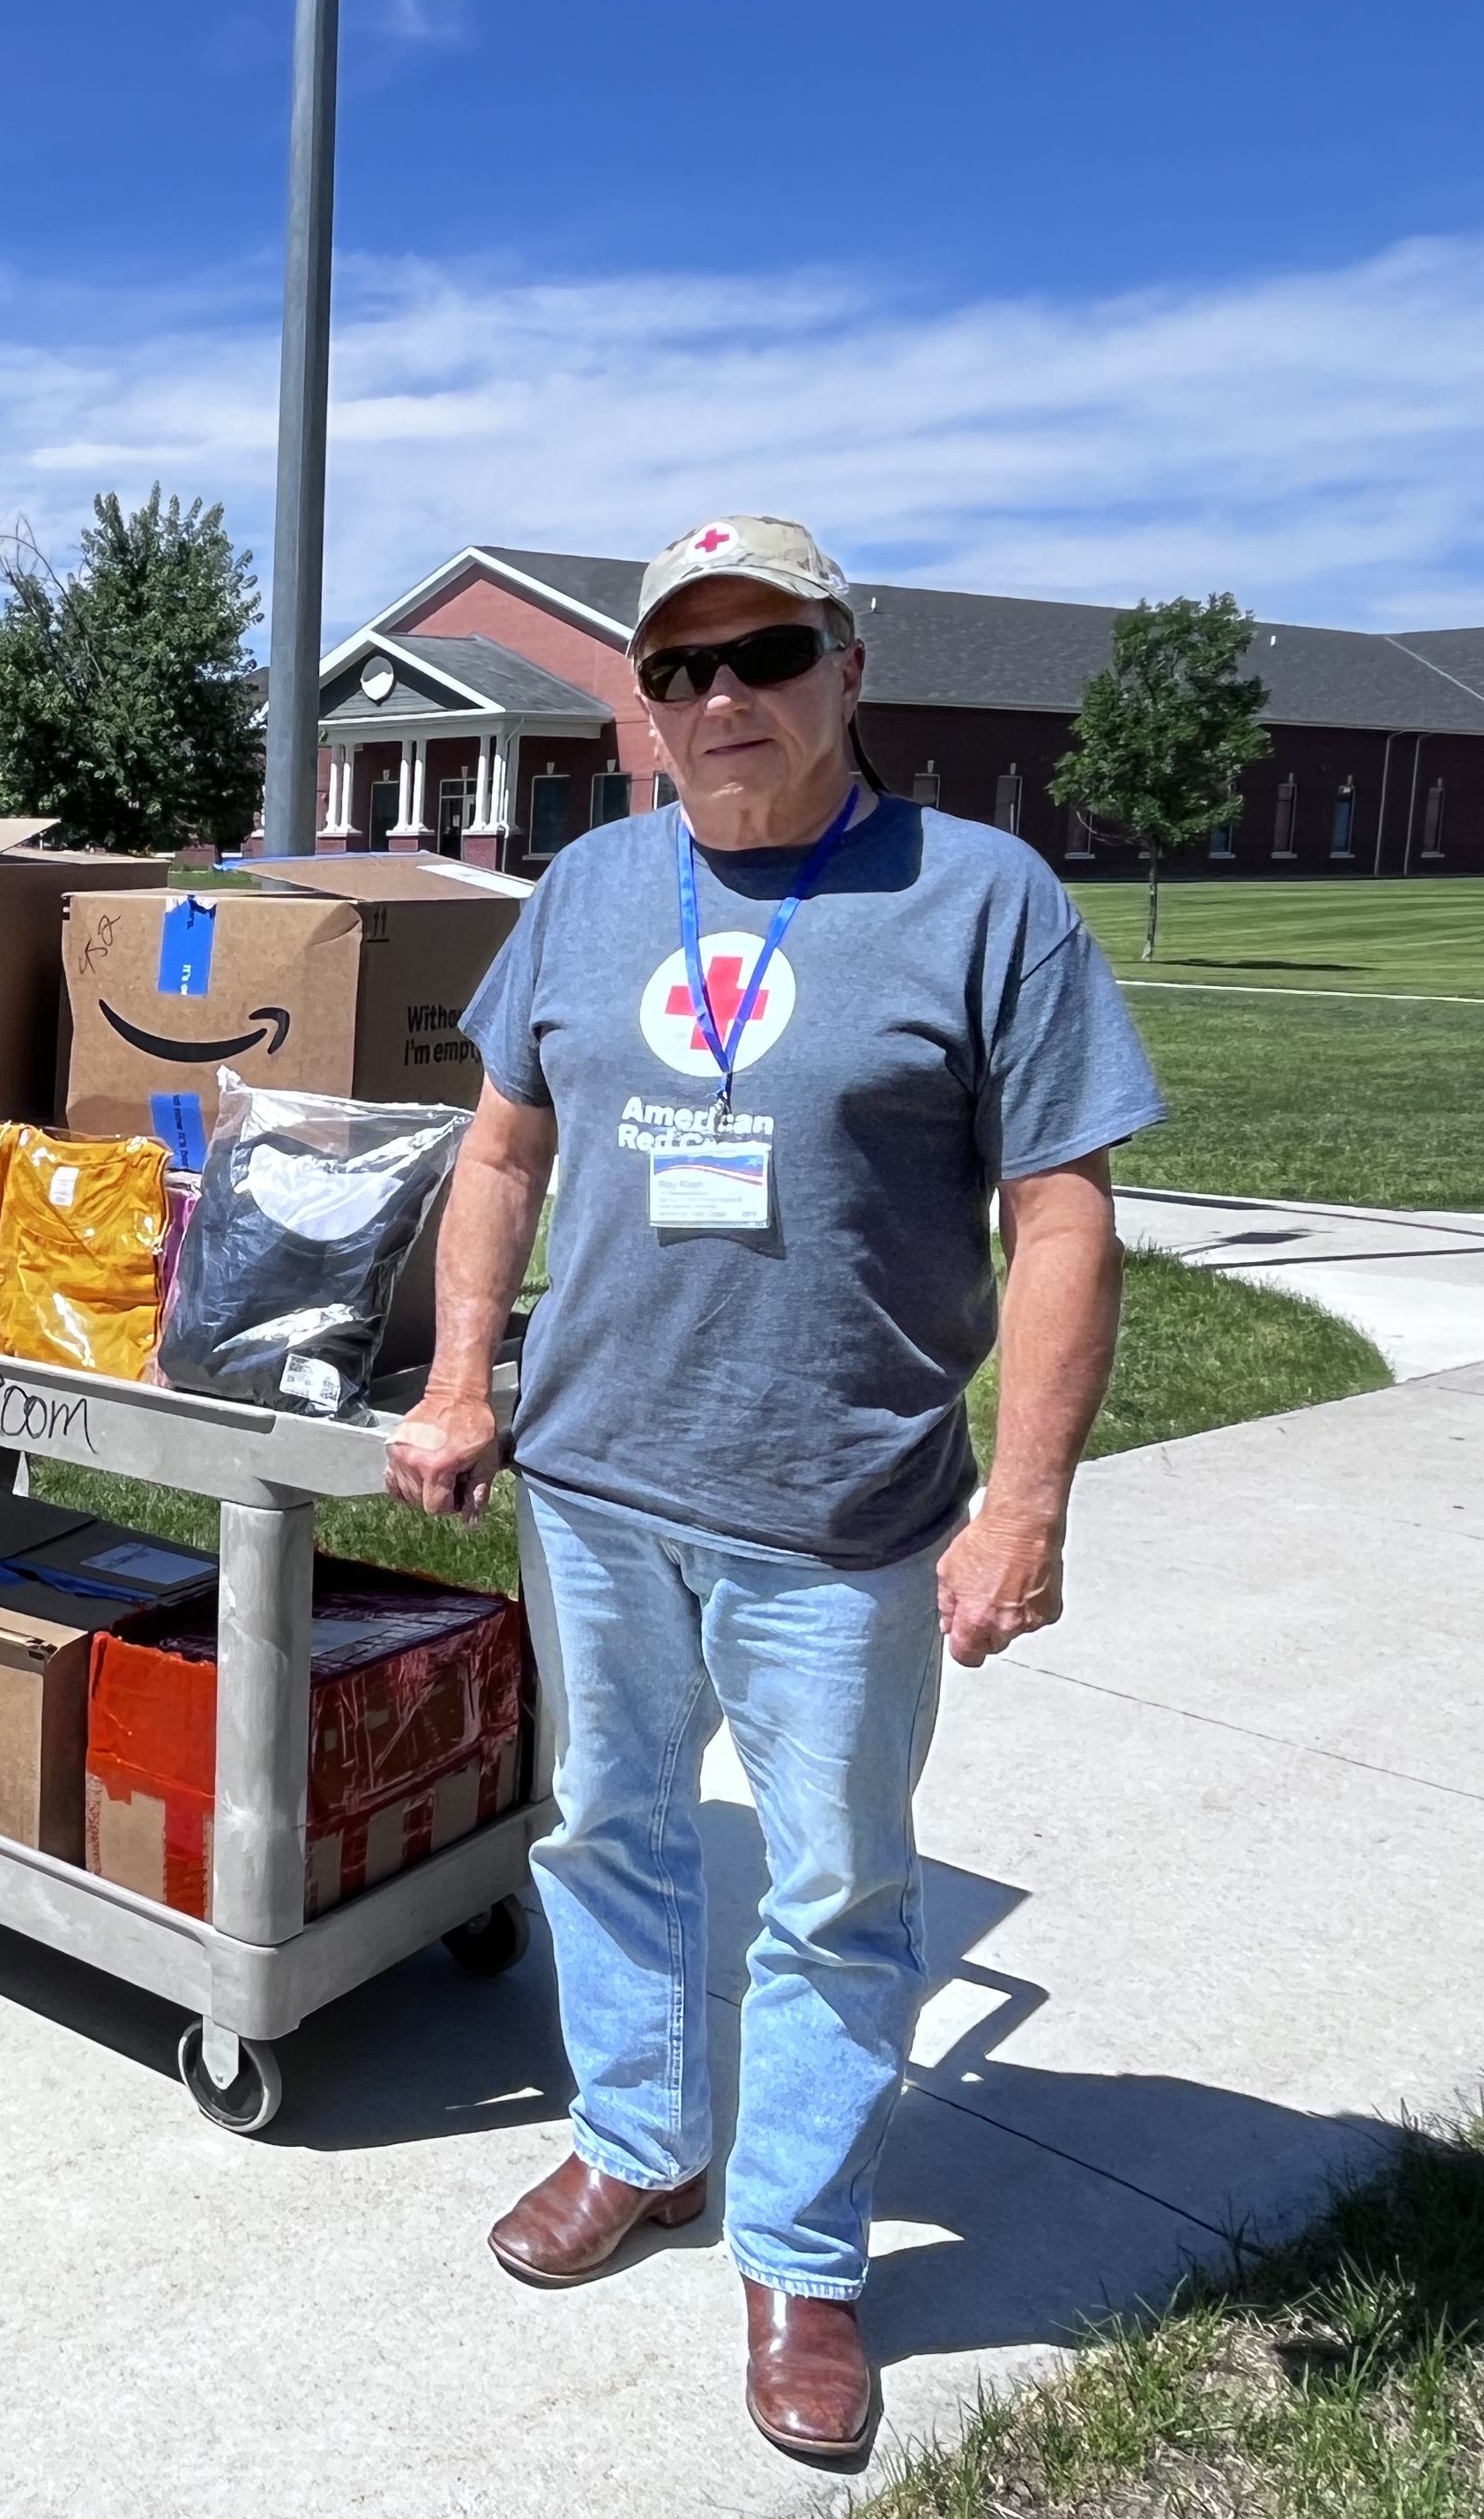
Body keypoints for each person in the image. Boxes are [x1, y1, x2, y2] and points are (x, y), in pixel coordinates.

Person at [386, 515, 1163, 2464]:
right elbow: (498, 1154)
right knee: (611, 1829)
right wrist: (467, 1373)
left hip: (841, 1511)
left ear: (847, 669)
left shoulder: (980, 897)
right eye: (680, 669)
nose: (723, 697)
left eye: (767, 655)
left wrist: (1031, 1507)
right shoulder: (582, 886)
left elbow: (1063, 1215)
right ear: (641, 706)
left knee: (833, 1893)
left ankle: (803, 2252)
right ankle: (641, 2143)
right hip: (596, 1484)